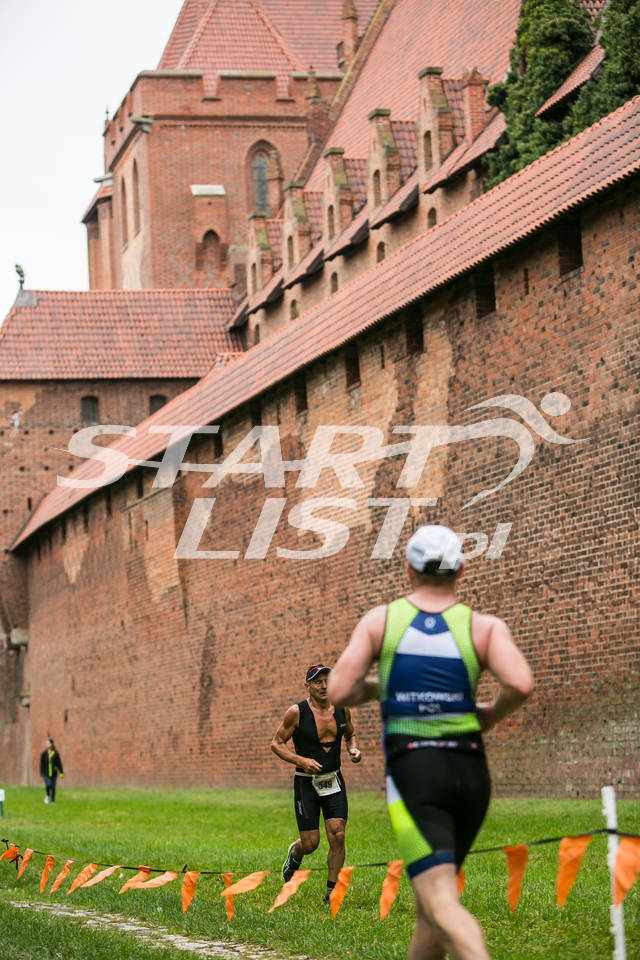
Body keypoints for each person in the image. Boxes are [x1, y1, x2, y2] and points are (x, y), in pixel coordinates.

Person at [327, 525, 534, 960]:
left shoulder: (383, 621)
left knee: (440, 901)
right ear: (461, 568)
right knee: (429, 906)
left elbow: (340, 692)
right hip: (472, 777)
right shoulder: (483, 627)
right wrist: (490, 715)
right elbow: (519, 683)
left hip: (416, 775)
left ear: (408, 569)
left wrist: (383, 687)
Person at [271, 663, 362, 904]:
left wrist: (353, 748)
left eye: (327, 681)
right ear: (307, 686)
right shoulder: (296, 712)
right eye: (318, 681)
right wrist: (302, 760)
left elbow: (350, 733)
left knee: (338, 835)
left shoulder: (342, 709)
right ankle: (295, 852)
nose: (324, 686)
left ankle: (331, 892)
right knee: (311, 843)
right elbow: (277, 743)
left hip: (333, 780)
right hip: (306, 783)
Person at [39, 737, 64, 804]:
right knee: (48, 785)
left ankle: (52, 800)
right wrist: (41, 772)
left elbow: (59, 763)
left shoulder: (55, 753)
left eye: (48, 743)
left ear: (52, 744)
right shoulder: (44, 754)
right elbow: (42, 764)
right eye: (46, 743)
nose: (47, 744)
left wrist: (61, 772)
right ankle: (47, 795)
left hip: (54, 773)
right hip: (46, 773)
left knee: (53, 786)